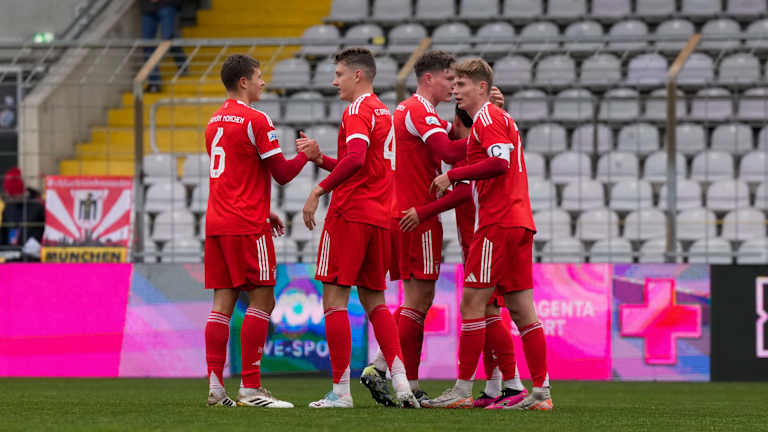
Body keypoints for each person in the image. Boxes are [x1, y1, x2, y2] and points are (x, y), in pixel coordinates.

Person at [422, 58, 552, 410]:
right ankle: (541, 393)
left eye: (462, 85)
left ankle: (463, 389)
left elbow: (499, 162)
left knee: (472, 303)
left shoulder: (487, 118)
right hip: (519, 222)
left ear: (481, 87)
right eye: (454, 85)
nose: (455, 91)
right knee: (522, 310)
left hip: (498, 223)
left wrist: (453, 174)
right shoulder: (501, 117)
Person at [298, 47, 419, 408]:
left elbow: (354, 159)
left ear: (357, 75)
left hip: (349, 214)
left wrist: (318, 190)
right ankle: (402, 385)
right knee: (375, 301)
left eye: (338, 74)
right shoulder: (383, 112)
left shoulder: (356, 110)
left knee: (334, 300)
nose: (334, 81)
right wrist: (321, 159)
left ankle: (340, 392)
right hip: (379, 217)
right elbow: (363, 165)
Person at [202, 54, 319, 408]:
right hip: (246, 226)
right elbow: (282, 173)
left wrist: (263, 208)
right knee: (263, 299)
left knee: (221, 304)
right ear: (243, 82)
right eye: (258, 76)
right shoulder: (257, 119)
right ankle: (250, 388)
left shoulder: (213, 121)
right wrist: (308, 154)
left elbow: (234, 175)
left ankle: (215, 388)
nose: (263, 82)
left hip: (218, 223)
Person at [401, 106, 528, 410]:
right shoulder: (482, 143)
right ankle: (496, 385)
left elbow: (464, 192)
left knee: (486, 311)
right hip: (479, 237)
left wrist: (425, 211)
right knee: (486, 311)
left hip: (484, 237)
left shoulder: (474, 151)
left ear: (459, 122)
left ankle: (512, 383)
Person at [141, 0, 188, 93]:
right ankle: (154, 83)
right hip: (147, 6)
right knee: (147, 44)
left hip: (167, 4)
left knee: (168, 39)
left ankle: (182, 64)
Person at [0, 167, 45, 261]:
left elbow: (45, 232)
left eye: (12, 195)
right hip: (11, 260)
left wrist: (37, 242)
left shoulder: (37, 206)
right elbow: (3, 235)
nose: (10, 198)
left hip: (33, 260)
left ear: (20, 192)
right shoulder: (8, 209)